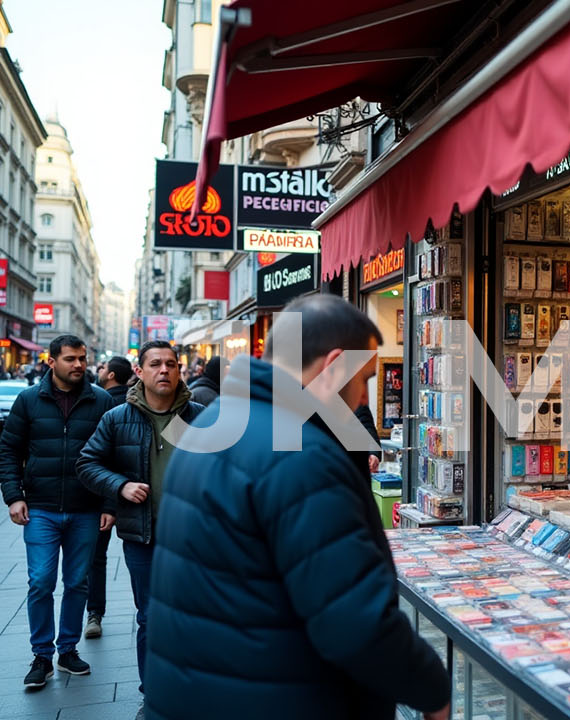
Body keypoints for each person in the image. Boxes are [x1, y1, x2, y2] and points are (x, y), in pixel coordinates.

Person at [145, 295, 450, 720]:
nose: (363, 399)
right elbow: (356, 625)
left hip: (210, 691)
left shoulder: (211, 424)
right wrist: (434, 691)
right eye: (364, 378)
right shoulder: (302, 457)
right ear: (334, 364)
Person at [78, 342, 203, 697]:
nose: (164, 370)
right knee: (150, 616)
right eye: (156, 364)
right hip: (143, 537)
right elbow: (87, 463)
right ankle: (154, 693)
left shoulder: (197, 416)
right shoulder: (118, 418)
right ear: (140, 371)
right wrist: (121, 486)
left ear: (180, 370)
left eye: (171, 364)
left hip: (193, 537)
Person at [0, 335, 114, 689]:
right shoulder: (29, 400)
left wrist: (109, 503)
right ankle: (41, 656)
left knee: (77, 582)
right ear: (52, 362)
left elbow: (114, 456)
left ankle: (67, 650)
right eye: (70, 359)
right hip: (41, 508)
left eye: (82, 358)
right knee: (41, 581)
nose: (79, 364)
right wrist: (13, 496)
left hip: (86, 509)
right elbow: (8, 449)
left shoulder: (102, 400)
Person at [84, 355, 135, 639]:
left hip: (105, 491)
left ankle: (95, 613)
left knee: (96, 558)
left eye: (102, 367)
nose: (98, 370)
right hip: (129, 491)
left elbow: (95, 457)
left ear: (112, 374)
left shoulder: (99, 404)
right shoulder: (132, 404)